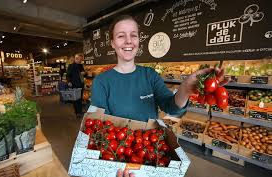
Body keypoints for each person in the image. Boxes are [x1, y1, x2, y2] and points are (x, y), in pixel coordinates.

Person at [90, 15, 227, 177]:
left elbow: (171, 107)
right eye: (121, 36)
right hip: (119, 157)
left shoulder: (150, 75)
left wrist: (186, 88)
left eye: (133, 35)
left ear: (138, 41)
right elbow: (97, 125)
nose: (128, 41)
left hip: (150, 152)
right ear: (113, 43)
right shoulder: (102, 81)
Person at [66, 54, 85, 118]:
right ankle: (77, 112)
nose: (81, 60)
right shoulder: (71, 66)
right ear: (76, 59)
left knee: (80, 98)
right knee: (75, 99)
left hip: (81, 84)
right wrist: (69, 82)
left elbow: (83, 73)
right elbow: (68, 75)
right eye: (80, 59)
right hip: (74, 84)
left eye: (81, 59)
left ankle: (80, 111)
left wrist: (84, 73)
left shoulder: (81, 65)